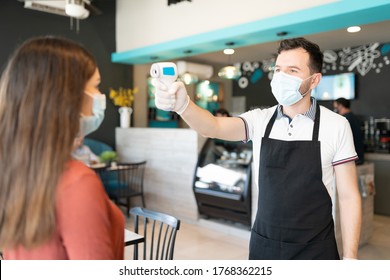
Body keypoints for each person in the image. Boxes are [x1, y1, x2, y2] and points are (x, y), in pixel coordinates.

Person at [153, 37, 362, 260]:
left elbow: (349, 197)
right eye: (279, 70)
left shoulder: (337, 125)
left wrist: (350, 257)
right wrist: (183, 105)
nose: (282, 77)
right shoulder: (259, 120)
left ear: (314, 80)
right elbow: (212, 127)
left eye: (292, 70)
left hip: (316, 248)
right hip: (265, 244)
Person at [0, 36, 124, 259]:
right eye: (96, 87)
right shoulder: (77, 183)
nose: (100, 97)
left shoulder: (12, 171)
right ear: (67, 97)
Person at [333, 98, 365, 165]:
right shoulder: (354, 117)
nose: (335, 109)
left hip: (350, 159)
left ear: (340, 106)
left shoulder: (343, 120)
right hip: (358, 156)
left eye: (335, 107)